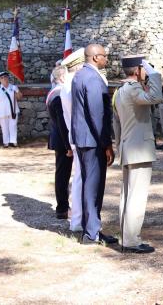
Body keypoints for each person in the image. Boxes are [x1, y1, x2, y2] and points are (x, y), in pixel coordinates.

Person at [113, 55, 162, 253]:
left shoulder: (119, 91)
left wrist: (119, 146)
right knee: (137, 196)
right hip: (139, 149)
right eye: (144, 69)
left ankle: (127, 237)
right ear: (137, 70)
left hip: (128, 147)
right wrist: (155, 74)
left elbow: (116, 123)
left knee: (128, 194)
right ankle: (131, 241)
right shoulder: (133, 88)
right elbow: (156, 97)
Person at [71, 44, 117, 245]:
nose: (107, 59)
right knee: (93, 185)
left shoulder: (80, 75)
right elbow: (97, 114)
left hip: (84, 139)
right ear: (96, 57)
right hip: (93, 140)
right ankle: (91, 233)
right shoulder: (92, 78)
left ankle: (93, 227)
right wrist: (106, 143)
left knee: (90, 184)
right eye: (105, 56)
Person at [60, 48, 85, 232]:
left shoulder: (67, 85)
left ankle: (78, 220)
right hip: (81, 137)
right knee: (81, 180)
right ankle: (78, 220)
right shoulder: (72, 85)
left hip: (75, 137)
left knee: (79, 179)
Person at [46, 65, 74, 219]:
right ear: (62, 77)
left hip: (59, 139)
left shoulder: (54, 92)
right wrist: (68, 146)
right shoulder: (58, 94)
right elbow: (63, 123)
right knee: (63, 175)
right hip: (62, 141)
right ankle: (62, 208)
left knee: (62, 174)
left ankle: (63, 206)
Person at [0, 71, 22, 148]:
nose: (4, 79)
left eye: (5, 77)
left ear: (8, 78)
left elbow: (19, 97)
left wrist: (17, 90)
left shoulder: (13, 87)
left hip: (13, 111)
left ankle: (13, 141)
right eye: (2, 78)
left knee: (13, 126)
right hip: (2, 112)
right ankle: (6, 142)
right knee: (4, 127)